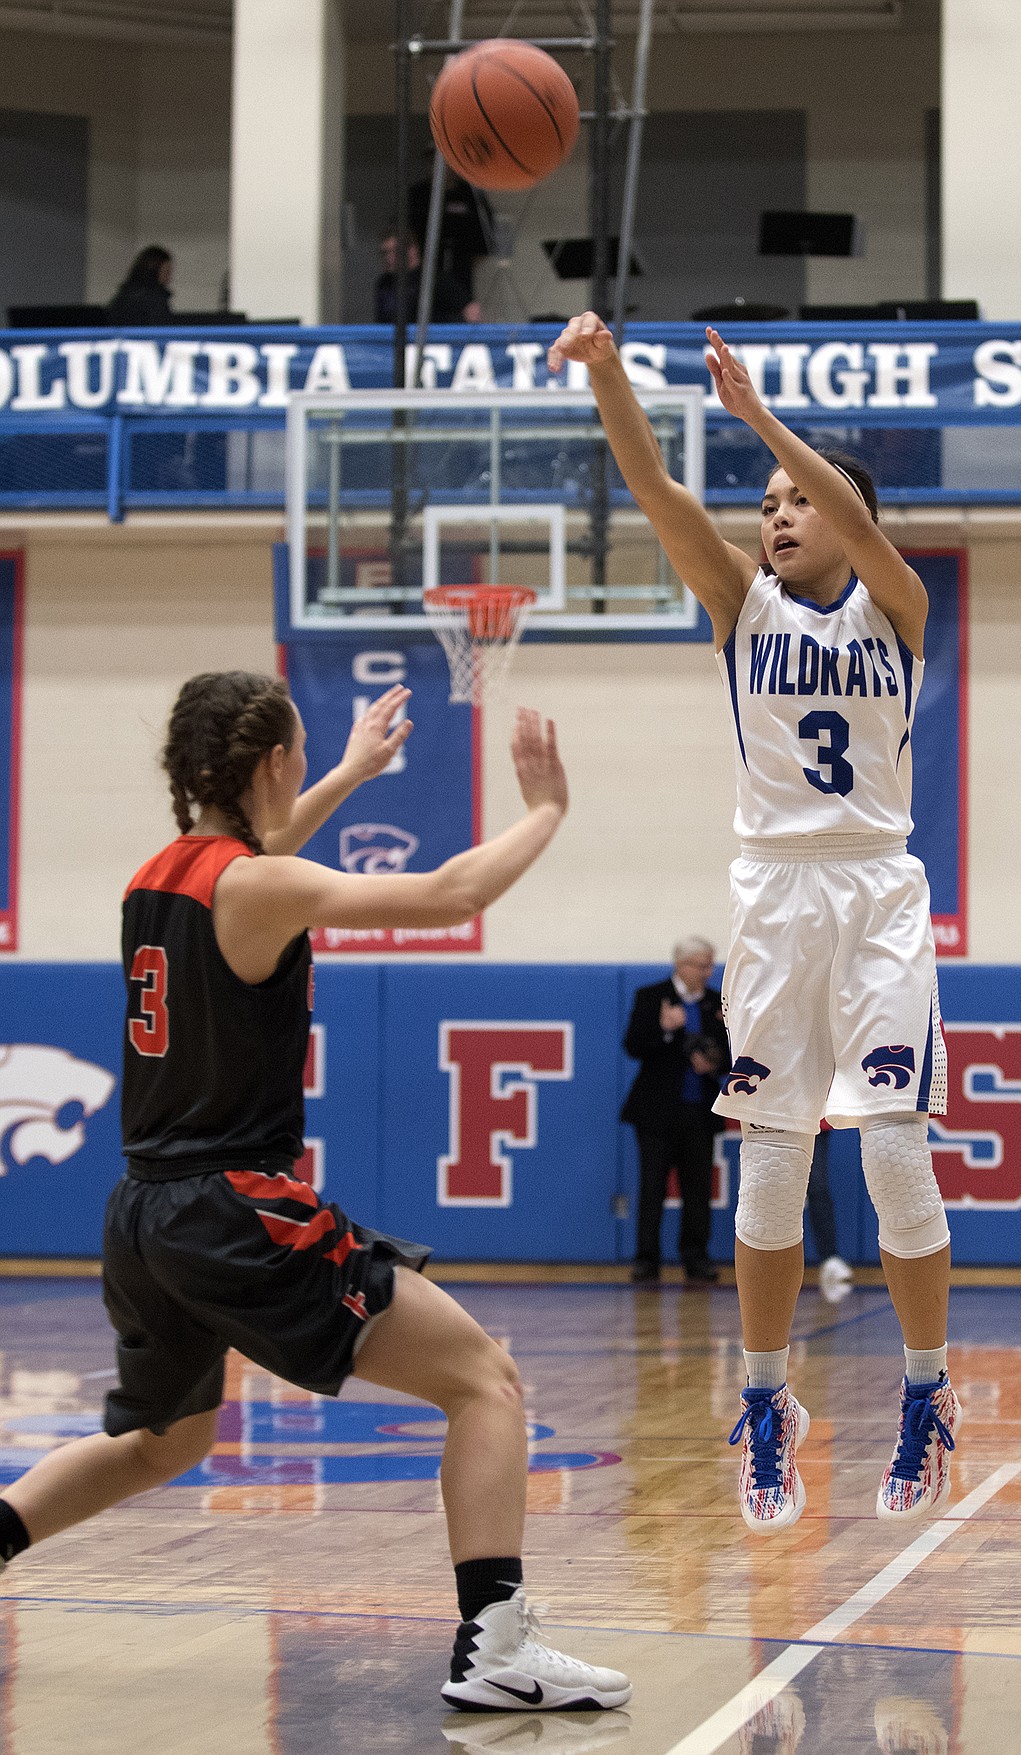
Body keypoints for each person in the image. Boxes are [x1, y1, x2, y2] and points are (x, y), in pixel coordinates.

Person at [0, 672, 630, 1716]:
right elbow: (452, 895)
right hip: (234, 1209)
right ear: (268, 764)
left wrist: (348, 769)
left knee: (166, 1441)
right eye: (297, 756)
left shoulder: (157, 877)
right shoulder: (256, 887)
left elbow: (265, 853)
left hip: (145, 1213)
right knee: (485, 1381)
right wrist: (548, 811)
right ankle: (497, 1642)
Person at [548, 313, 959, 1531]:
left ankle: (928, 1393)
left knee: (890, 1150)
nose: (774, 515)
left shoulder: (897, 603)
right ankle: (769, 1399)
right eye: (766, 500)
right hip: (774, 900)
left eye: (796, 500)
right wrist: (610, 374)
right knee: (772, 1171)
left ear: (847, 516)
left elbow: (865, 529)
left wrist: (761, 416)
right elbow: (653, 485)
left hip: (878, 889)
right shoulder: (743, 606)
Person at [621, 935, 730, 1284]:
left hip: (700, 1110)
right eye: (702, 965)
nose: (708, 971)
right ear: (681, 965)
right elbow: (634, 1046)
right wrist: (665, 1030)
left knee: (698, 1190)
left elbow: (732, 1053)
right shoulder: (652, 997)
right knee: (652, 1187)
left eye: (710, 964)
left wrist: (712, 1063)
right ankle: (646, 1260)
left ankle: (695, 1259)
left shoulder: (717, 1002)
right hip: (656, 1112)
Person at [375, 228, 481, 325]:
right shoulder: (384, 283)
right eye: (385, 253)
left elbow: (473, 313)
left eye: (394, 251)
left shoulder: (436, 280)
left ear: (412, 250)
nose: (389, 258)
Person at [808, 1124, 853, 1301]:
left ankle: (829, 1259)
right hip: (772, 1113)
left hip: (811, 1112)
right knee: (772, 1188)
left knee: (817, 1185)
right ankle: (769, 1263)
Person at [107, 245, 175, 326]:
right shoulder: (155, 300)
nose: (168, 277)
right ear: (153, 270)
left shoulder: (123, 296)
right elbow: (161, 330)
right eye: (166, 272)